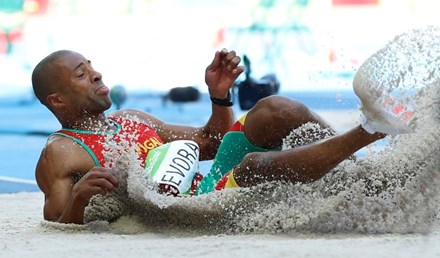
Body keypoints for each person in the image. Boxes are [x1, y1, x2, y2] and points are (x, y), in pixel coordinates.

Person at [32, 49, 385, 225]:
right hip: (190, 208)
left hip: (212, 181)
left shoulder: (130, 119)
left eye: (92, 67)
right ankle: (371, 130)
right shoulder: (61, 151)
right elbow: (56, 221)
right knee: (252, 166)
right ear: (58, 99)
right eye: (82, 74)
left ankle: (368, 179)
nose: (96, 75)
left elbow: (210, 142)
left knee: (276, 108)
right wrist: (79, 198)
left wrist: (219, 97)